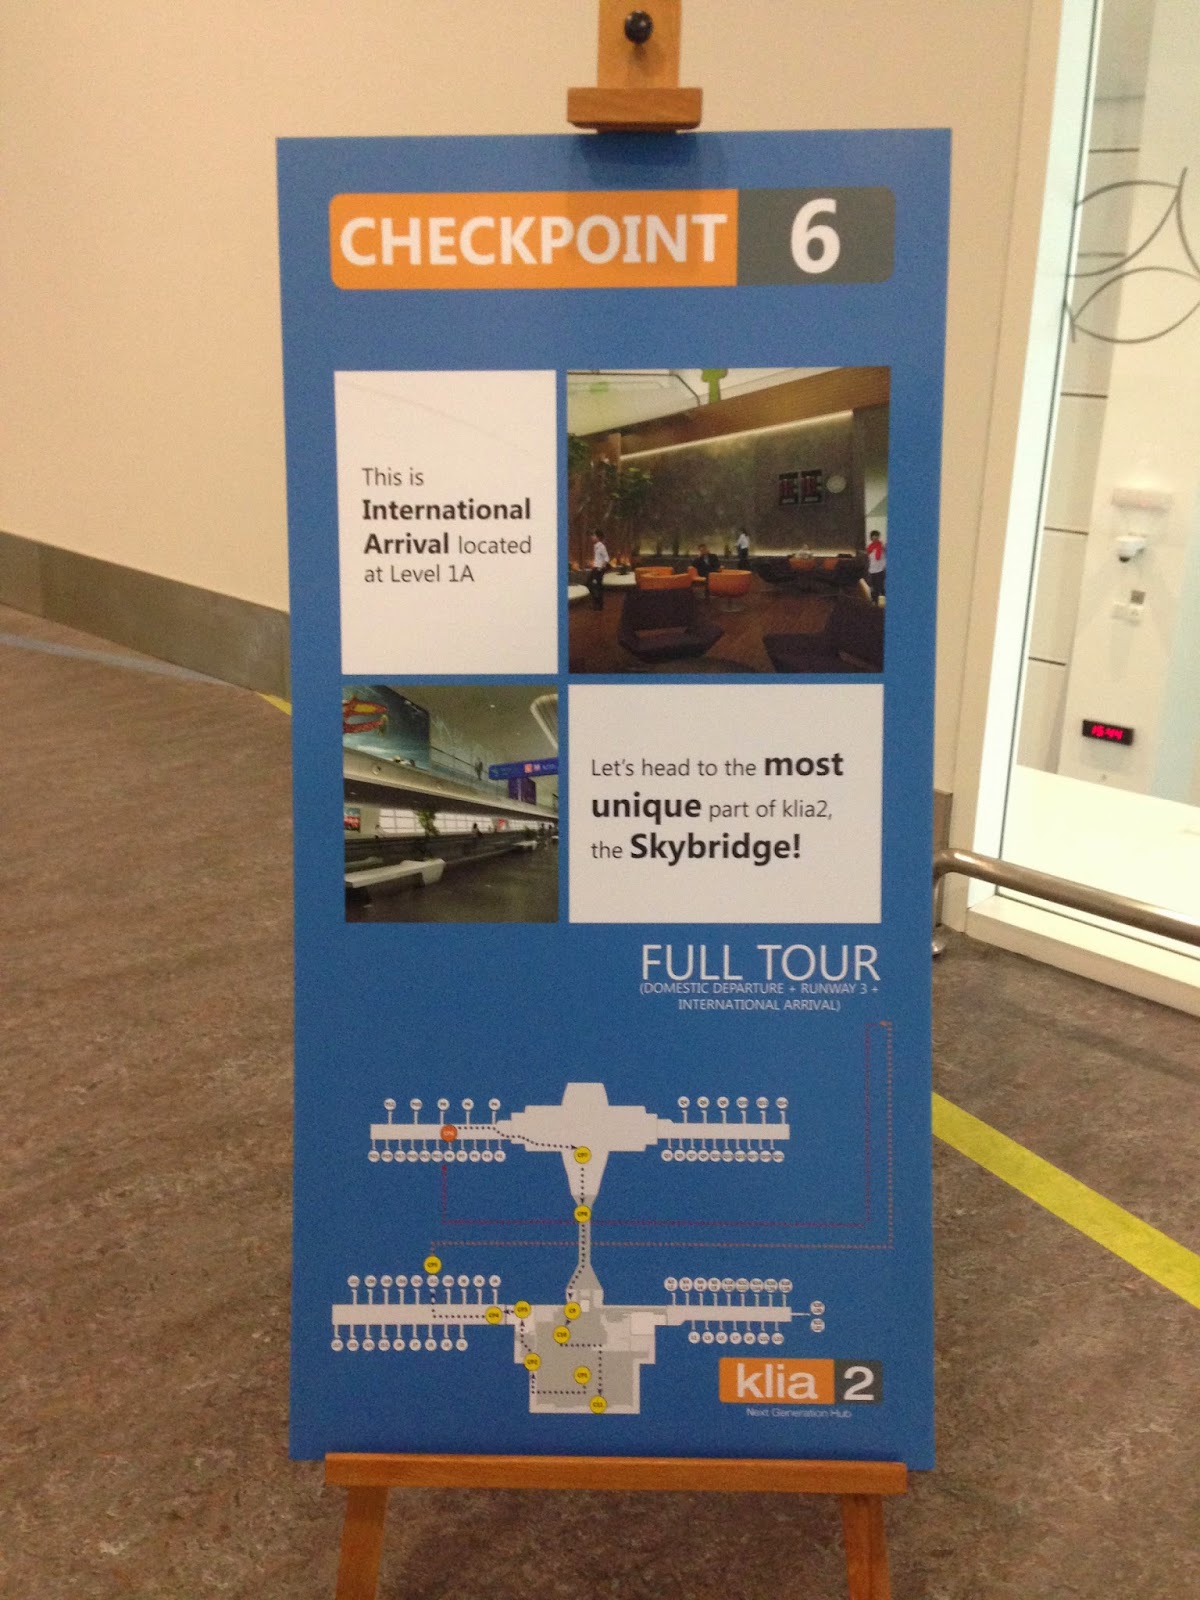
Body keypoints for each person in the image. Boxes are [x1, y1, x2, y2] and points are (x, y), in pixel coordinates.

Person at [587, 531, 610, 609]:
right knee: (594, 585)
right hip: (595, 568)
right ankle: (598, 603)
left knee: (594, 585)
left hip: (599, 569)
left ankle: (598, 604)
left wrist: (600, 568)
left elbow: (606, 558)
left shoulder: (601, 546)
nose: (592, 537)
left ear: (598, 537)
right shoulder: (596, 546)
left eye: (593, 535)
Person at [865, 529, 886, 603]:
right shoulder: (869, 547)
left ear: (878, 537)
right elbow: (869, 559)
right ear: (871, 538)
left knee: (880, 587)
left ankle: (882, 603)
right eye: (873, 537)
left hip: (880, 570)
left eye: (876, 537)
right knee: (873, 587)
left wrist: (884, 567)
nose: (875, 538)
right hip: (872, 569)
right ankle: (874, 602)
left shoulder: (881, 546)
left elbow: (883, 558)